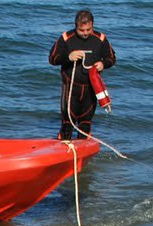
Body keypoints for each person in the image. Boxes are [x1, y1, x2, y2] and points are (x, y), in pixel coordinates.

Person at [47, 9, 116, 141]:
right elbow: (52, 59)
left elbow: (111, 59)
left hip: (90, 89)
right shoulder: (66, 38)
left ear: (92, 25)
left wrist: (103, 64)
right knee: (68, 123)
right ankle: (64, 149)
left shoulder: (100, 39)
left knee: (85, 123)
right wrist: (68, 57)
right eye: (81, 30)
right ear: (76, 26)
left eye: (88, 30)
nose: (85, 33)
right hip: (71, 87)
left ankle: (82, 154)